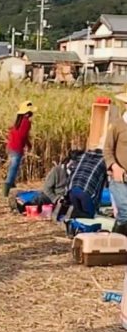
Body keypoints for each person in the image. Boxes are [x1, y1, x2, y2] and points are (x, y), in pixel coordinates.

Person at [104, 91, 127, 234]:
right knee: (125, 212)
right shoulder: (117, 125)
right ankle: (116, 243)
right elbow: (107, 150)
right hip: (120, 178)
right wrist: (114, 166)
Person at [3, 101, 36, 197]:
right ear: (28, 113)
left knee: (13, 167)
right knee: (14, 167)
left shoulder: (18, 121)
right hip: (17, 147)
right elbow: (23, 136)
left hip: (11, 146)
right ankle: (7, 188)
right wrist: (29, 145)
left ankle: (11, 183)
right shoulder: (26, 122)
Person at [64, 149, 107, 219]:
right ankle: (72, 216)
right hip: (85, 191)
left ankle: (72, 219)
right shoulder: (104, 160)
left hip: (72, 189)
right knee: (89, 217)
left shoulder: (83, 156)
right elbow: (101, 187)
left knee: (79, 214)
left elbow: (69, 168)